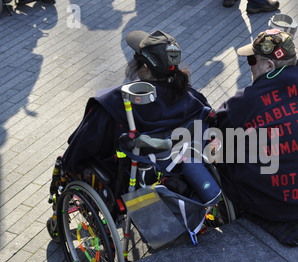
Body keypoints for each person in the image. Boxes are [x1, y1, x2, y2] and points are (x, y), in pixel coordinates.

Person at [214, 29, 298, 222]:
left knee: (224, 152)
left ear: (270, 65)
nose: (250, 66)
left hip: (278, 206)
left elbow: (218, 126)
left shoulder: (247, 100)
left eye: (252, 60)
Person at [61, 30, 211, 185]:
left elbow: (78, 148)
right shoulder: (195, 100)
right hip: (182, 174)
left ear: (145, 67)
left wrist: (69, 166)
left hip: (125, 181)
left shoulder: (115, 103)